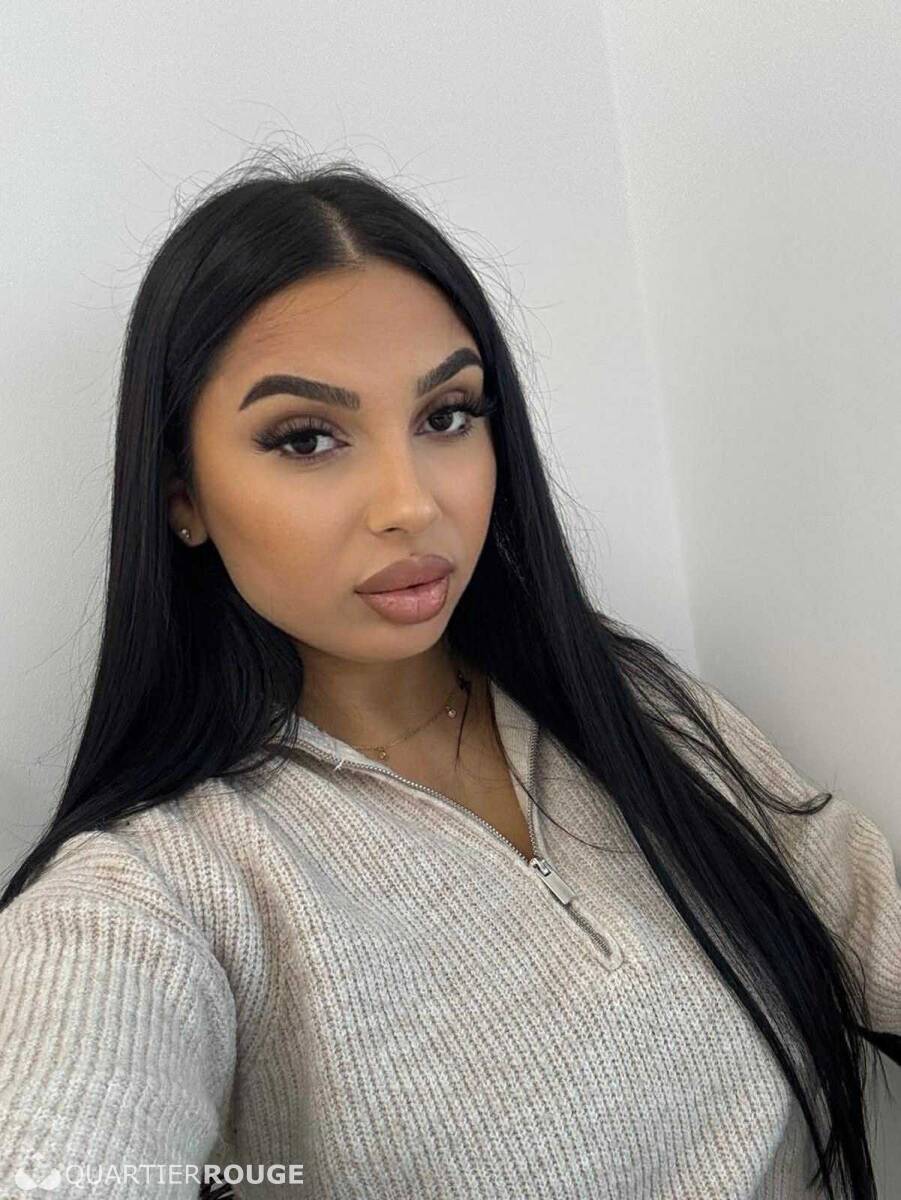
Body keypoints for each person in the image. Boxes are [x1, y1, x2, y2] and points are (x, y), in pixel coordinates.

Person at [0, 154, 898, 1200]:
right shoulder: (156, 893)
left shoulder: (621, 701)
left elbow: (862, 908)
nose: (411, 503)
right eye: (306, 437)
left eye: (446, 416)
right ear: (181, 497)